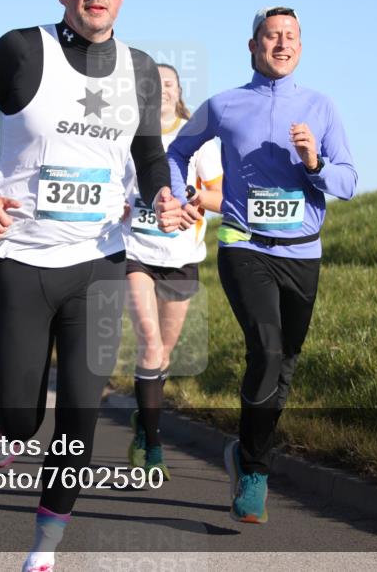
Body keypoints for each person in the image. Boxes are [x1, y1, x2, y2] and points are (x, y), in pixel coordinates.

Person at [0, 0, 183, 572]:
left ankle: (43, 551)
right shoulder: (22, 50)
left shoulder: (140, 69)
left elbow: (149, 152)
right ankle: (5, 425)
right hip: (21, 257)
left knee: (80, 418)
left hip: (100, 261)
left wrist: (161, 192)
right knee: (23, 418)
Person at [166, 7, 357, 524]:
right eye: (272, 36)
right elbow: (177, 152)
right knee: (267, 351)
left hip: (303, 252)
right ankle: (254, 472)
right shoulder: (224, 105)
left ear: (301, 47)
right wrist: (179, 194)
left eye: (291, 36)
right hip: (244, 244)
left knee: (284, 364)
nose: (282, 44)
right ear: (253, 46)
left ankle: (245, 451)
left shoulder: (321, 107)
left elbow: (348, 181)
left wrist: (314, 162)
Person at [124, 63, 223, 480]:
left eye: (169, 84)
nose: (162, 89)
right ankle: (153, 444)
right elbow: (109, 185)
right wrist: (119, 205)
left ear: (179, 92)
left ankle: (144, 420)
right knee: (149, 345)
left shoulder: (197, 138)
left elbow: (221, 195)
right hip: (136, 253)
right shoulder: (128, 133)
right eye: (155, 83)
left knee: (163, 355)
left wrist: (191, 197)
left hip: (181, 256)